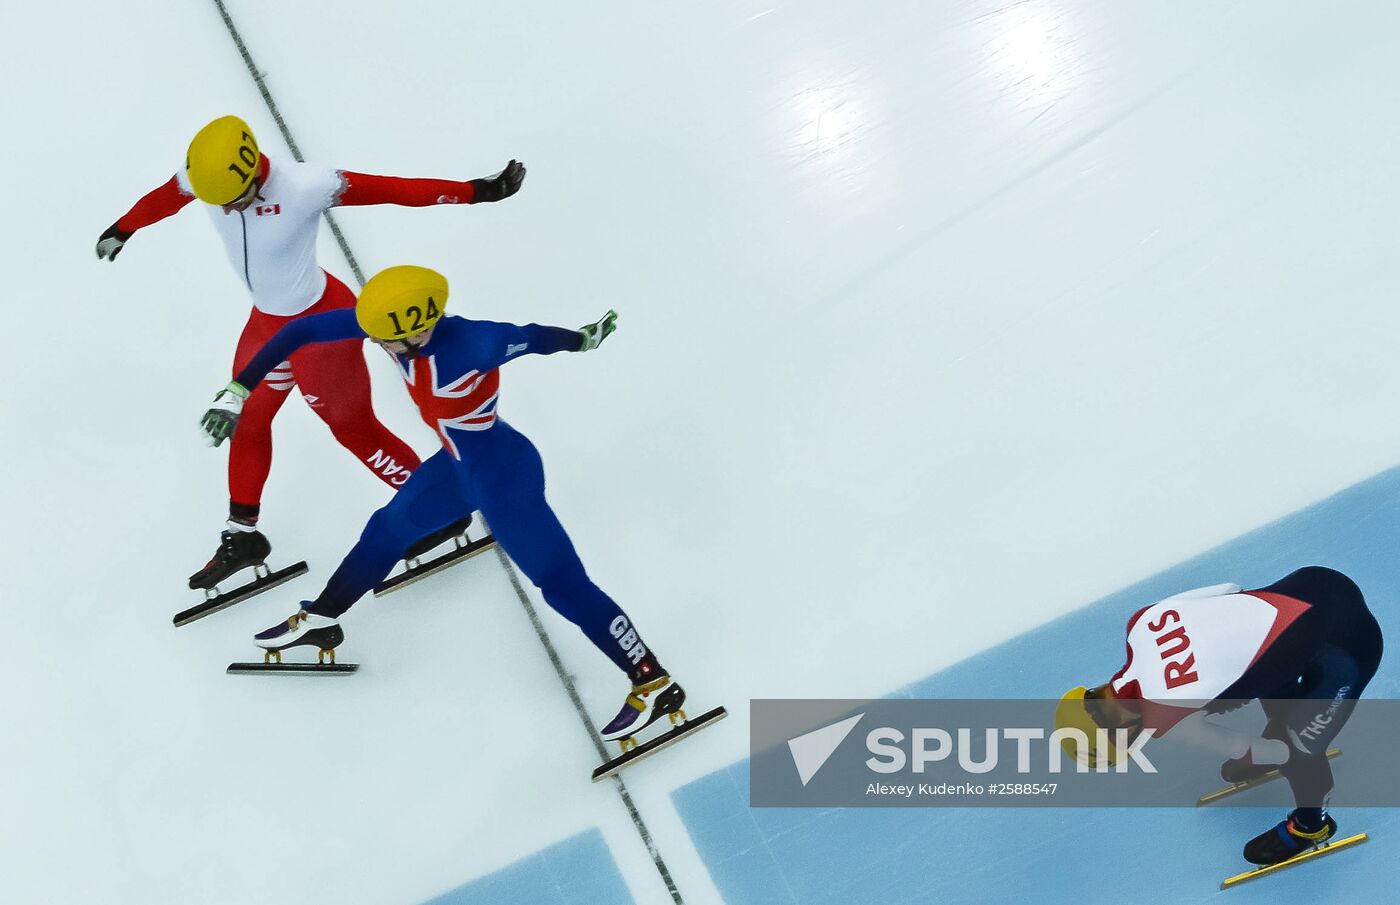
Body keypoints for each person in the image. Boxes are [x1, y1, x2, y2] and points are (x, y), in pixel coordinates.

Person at [199, 264, 680, 741]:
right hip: (454, 469)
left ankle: (652, 680)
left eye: (392, 342)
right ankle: (322, 615)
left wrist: (583, 339)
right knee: (385, 530)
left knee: (562, 585)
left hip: (502, 475)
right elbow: (298, 332)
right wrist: (239, 388)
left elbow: (532, 337)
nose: (381, 348)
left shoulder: (475, 343)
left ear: (420, 329)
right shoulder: (389, 325)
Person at [96, 115, 526, 590]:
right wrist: (124, 227)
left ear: (256, 173)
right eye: (217, 203)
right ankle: (243, 536)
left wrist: (474, 191)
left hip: (322, 326)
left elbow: (394, 189)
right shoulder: (204, 175)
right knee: (247, 418)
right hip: (266, 324)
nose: (230, 209)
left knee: (353, 428)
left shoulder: (304, 186)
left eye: (237, 199)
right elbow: (165, 199)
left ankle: (437, 510)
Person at [1055, 566, 1383, 866]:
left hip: (1349, 644)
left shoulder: (1163, 718)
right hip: (1314, 583)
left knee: (1299, 750)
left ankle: (1312, 826)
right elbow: (1231, 588)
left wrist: (1280, 752)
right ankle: (1284, 725)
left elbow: (1254, 749)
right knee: (1261, 672)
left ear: (1122, 733)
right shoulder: (1139, 622)